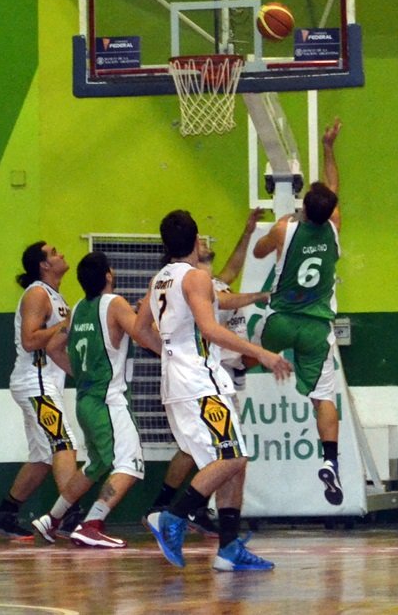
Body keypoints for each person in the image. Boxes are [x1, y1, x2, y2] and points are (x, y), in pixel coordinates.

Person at [134, 209, 293, 571]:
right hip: (199, 383)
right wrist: (262, 353)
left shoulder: (160, 280)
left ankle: (228, 547)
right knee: (233, 457)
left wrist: (171, 353)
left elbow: (141, 331)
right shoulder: (196, 278)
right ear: (195, 240)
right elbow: (210, 328)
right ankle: (172, 516)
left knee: (232, 463)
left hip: (180, 383)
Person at [252, 117, 345, 506]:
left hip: (280, 321)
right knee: (323, 398)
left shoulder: (284, 228)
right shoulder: (334, 225)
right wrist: (328, 148)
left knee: (242, 349)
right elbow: (333, 188)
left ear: (304, 206)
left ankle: (232, 378)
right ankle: (330, 461)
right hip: (316, 329)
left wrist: (273, 237)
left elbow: (259, 253)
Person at [33, 252, 150, 548]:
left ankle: (52, 519)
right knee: (130, 464)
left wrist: (82, 374)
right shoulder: (115, 303)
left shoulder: (77, 310)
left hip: (86, 400)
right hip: (108, 401)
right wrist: (148, 313)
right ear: (108, 275)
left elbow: (53, 347)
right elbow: (142, 334)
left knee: (96, 465)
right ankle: (92, 524)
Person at [0, 241, 82, 542]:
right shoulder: (37, 293)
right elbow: (29, 340)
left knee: (42, 456)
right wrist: (66, 325)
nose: (61, 254)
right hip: (35, 381)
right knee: (63, 443)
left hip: (45, 383)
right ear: (44, 265)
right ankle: (71, 517)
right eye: (54, 252)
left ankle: (5, 514)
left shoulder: (56, 296)